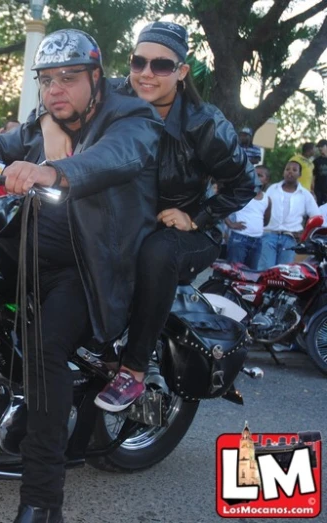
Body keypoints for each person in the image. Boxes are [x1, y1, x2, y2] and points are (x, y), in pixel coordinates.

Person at [0, 29, 163, 523]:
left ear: (96, 78)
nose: (56, 88)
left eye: (69, 77)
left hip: (87, 265)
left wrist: (54, 172)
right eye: (47, 80)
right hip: (26, 252)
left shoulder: (131, 116)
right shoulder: (41, 127)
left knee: (44, 351)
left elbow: (118, 157)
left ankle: (42, 501)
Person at [80, 22, 255, 412]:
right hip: (125, 221)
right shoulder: (110, 97)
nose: (146, 73)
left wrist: (197, 214)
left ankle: (134, 370)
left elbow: (244, 184)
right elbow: (60, 99)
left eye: (161, 65)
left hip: (185, 235)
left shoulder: (204, 123)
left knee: (157, 252)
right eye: (138, 62)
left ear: (182, 71)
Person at [257, 160, 320, 268]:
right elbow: (262, 209)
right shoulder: (273, 189)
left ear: (299, 174)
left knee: (284, 273)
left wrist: (305, 235)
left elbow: (316, 218)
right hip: (269, 235)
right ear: (283, 172)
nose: (290, 172)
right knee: (265, 270)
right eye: (287, 169)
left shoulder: (305, 194)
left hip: (290, 239)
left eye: (294, 170)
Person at [225, 181, 271, 268]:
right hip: (239, 238)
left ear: (267, 180)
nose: (257, 178)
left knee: (251, 274)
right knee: (234, 271)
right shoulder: (242, 194)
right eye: (255, 175)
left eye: (260, 175)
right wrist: (230, 224)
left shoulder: (267, 198)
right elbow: (222, 207)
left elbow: (266, 221)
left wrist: (256, 226)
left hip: (257, 241)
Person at [313, 139, 327, 205]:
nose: (320, 148)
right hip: (318, 191)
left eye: (322, 146)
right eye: (319, 147)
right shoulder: (316, 161)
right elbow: (313, 176)